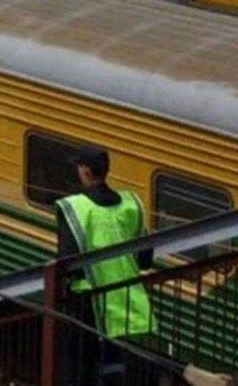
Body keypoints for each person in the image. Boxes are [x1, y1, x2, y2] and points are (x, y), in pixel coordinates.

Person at [55, 145, 156, 385]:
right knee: (118, 367)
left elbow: (69, 261)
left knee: (81, 368)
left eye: (79, 167)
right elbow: (145, 260)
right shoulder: (132, 204)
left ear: (86, 172)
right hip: (126, 299)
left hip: (86, 302)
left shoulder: (74, 208)